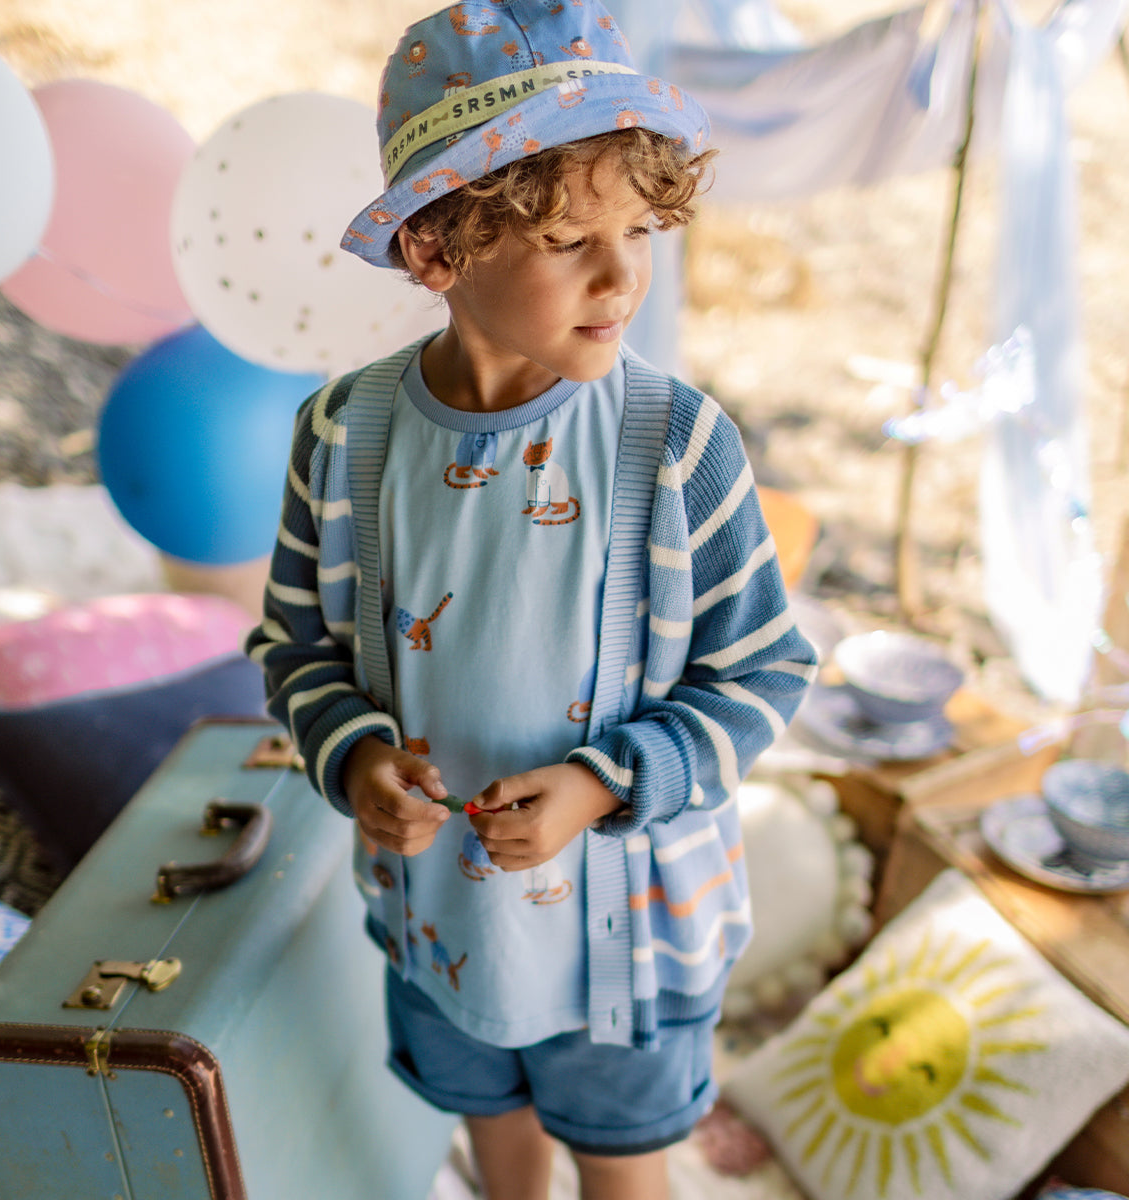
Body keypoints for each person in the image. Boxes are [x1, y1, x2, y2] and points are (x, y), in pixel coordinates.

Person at [246, 3, 817, 1197]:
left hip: (632, 937)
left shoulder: (678, 446)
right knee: (498, 1144)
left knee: (620, 1169)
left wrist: (606, 781)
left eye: (640, 229)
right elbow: (293, 645)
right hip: (440, 919)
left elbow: (766, 672)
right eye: (569, 240)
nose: (623, 276)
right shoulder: (344, 436)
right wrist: (354, 758)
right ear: (436, 251)